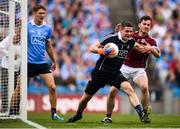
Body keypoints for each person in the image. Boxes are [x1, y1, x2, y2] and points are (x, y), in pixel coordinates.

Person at [67, 21, 150, 123]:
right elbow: (91, 48)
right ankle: (78, 115)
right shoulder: (110, 38)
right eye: (126, 31)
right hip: (100, 73)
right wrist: (102, 51)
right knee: (85, 99)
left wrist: (151, 48)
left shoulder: (131, 41)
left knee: (129, 89)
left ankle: (141, 113)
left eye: (130, 31)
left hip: (115, 73)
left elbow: (140, 47)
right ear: (120, 30)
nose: (129, 33)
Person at [101, 16, 161, 124]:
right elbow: (118, 38)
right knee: (112, 91)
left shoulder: (151, 41)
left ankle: (145, 112)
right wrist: (118, 31)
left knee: (144, 87)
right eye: (144, 24)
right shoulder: (131, 35)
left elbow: (158, 54)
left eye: (148, 25)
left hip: (139, 69)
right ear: (139, 25)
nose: (146, 26)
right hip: (124, 67)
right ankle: (108, 116)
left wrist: (151, 48)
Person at [28, 5, 63, 121]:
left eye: (44, 13)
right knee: (18, 88)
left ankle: (54, 114)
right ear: (34, 13)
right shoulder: (27, 26)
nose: (42, 15)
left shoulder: (47, 28)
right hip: (28, 63)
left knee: (52, 87)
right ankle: (12, 111)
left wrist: (53, 60)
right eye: (40, 13)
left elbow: (48, 45)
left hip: (41, 63)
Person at [0, 24, 21, 115]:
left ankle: (15, 110)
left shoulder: (25, 41)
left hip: (17, 69)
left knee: (17, 89)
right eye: (19, 29)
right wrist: (10, 54)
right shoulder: (10, 37)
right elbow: (0, 47)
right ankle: (5, 110)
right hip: (6, 67)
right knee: (6, 89)